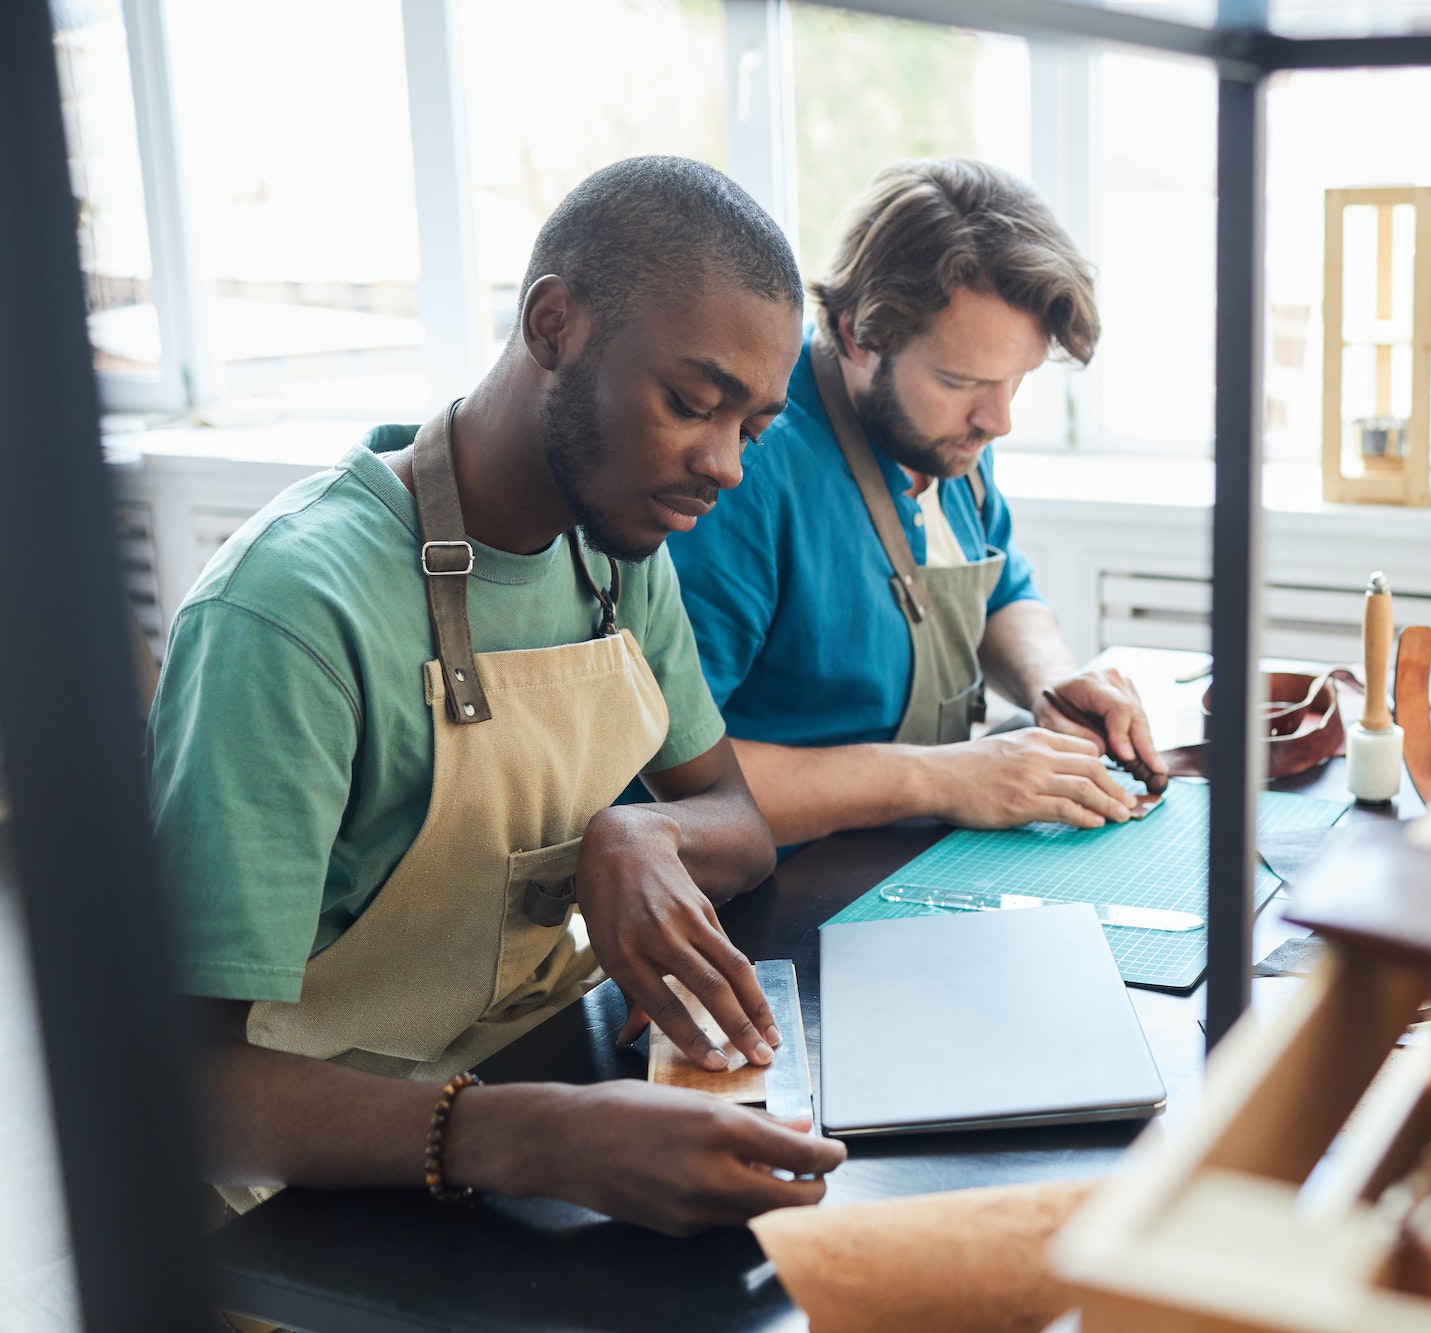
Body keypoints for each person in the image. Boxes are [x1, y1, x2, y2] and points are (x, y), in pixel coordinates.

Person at [148, 157, 846, 1236]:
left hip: (521, 1109)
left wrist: (640, 835)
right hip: (294, 1202)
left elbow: (739, 826)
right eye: (692, 404)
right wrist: (526, 1133)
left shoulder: (617, 551)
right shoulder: (289, 615)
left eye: (750, 428)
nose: (725, 468)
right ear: (553, 323)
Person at [668, 159, 1163, 847]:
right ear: (854, 335)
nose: (998, 420)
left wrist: (1054, 680)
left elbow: (1002, 588)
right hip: (771, 893)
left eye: (1014, 381)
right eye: (961, 380)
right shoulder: (747, 475)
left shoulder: (950, 434)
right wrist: (944, 779)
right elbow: (671, 783)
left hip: (912, 860)